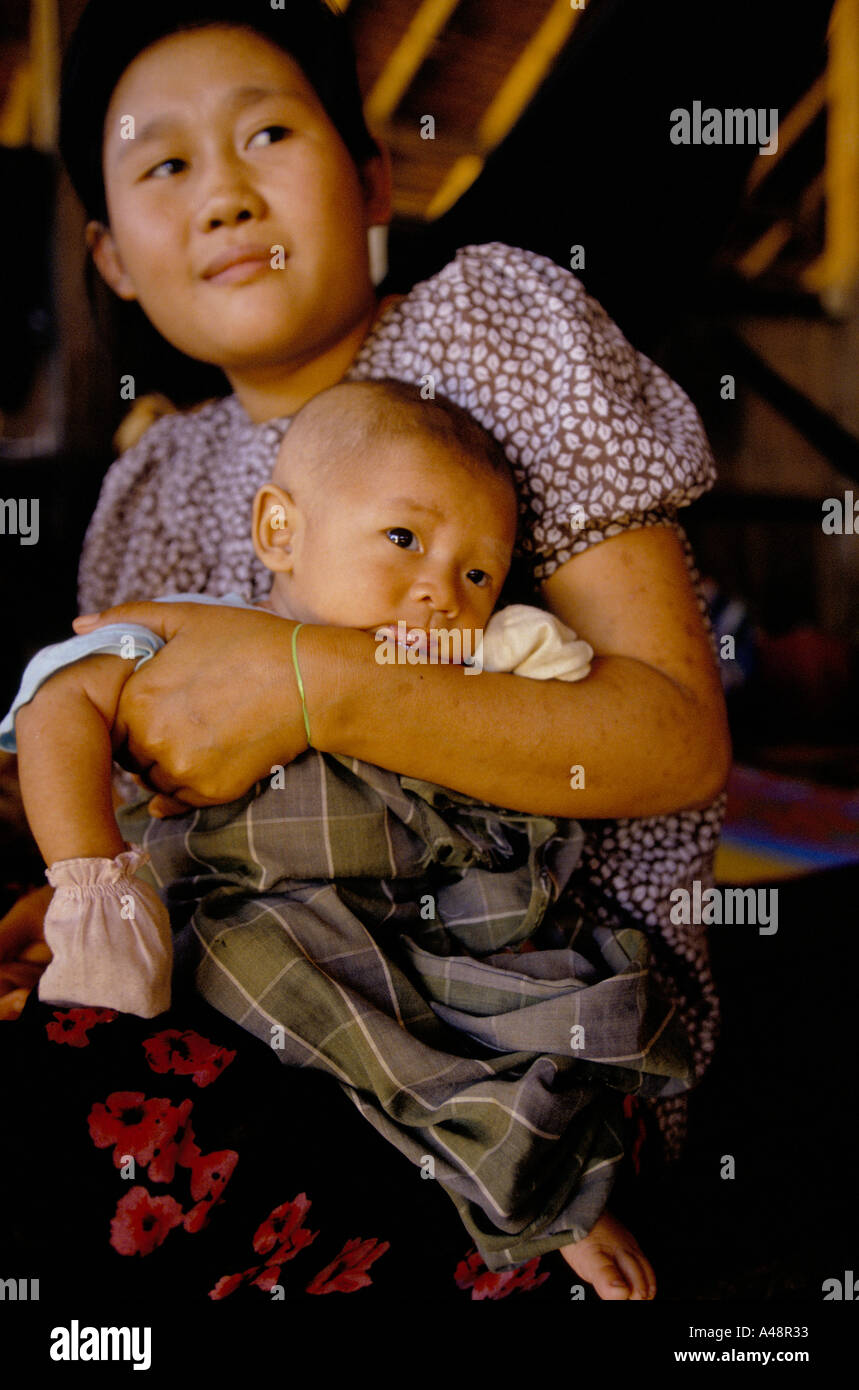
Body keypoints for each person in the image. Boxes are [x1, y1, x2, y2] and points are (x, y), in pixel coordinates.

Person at [0, 0, 731, 1302]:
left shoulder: (490, 330)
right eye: (164, 164)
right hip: (253, 990)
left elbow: (670, 741)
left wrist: (309, 682)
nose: (221, 194)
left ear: (370, 175)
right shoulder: (148, 488)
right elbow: (134, 816)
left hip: (519, 1016)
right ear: (111, 256)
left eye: (267, 133)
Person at [2, 377, 692, 1283]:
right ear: (279, 531)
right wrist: (88, 890)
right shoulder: (202, 641)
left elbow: (600, 733)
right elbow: (62, 703)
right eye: (403, 538)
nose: (440, 593)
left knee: (529, 1004)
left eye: (477, 572)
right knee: (229, 953)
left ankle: (536, 1183)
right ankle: (517, 1178)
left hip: (409, 932)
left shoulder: (481, 659)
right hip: (226, 917)